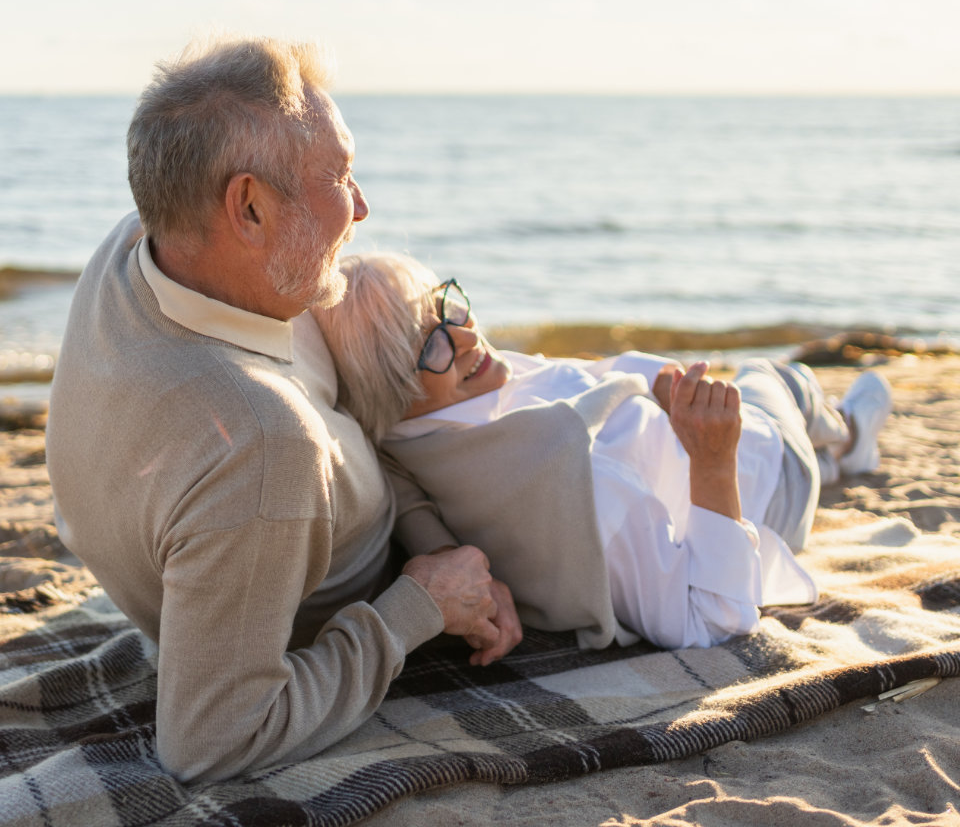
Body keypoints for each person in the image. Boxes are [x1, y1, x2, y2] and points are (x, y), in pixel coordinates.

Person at [45, 38, 521, 785]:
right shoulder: (257, 442)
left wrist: (427, 541)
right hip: (370, 564)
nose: (363, 207)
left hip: (388, 504)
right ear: (249, 207)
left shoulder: (152, 238)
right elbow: (210, 743)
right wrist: (421, 605)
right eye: (340, 178)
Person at [313, 252, 894, 651]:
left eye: (448, 309)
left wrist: (653, 381)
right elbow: (715, 618)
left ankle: (838, 444)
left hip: (702, 441)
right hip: (767, 481)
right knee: (780, 377)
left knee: (772, 390)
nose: (465, 337)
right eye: (430, 343)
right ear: (388, 391)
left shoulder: (434, 430)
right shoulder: (574, 472)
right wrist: (715, 460)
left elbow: (575, 378)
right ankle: (847, 435)